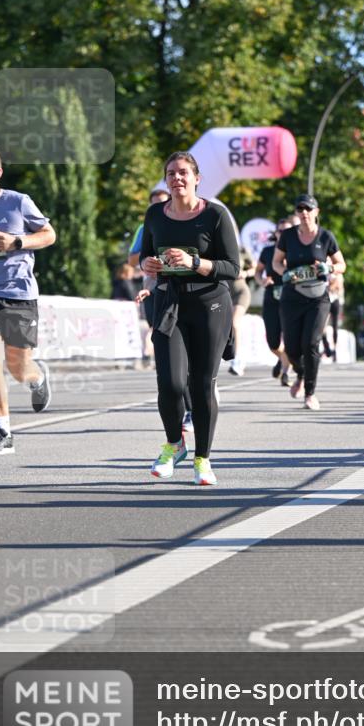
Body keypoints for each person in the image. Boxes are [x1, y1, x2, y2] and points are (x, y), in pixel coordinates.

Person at [140, 151, 239, 484]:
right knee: (170, 384)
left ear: (197, 178)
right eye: (171, 173)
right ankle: (174, 443)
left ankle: (203, 459)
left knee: (201, 384)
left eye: (183, 172)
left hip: (210, 305)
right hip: (170, 303)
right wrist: (147, 264)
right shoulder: (155, 214)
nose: (177, 178)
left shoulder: (215, 215)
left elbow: (233, 268)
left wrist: (194, 262)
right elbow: (145, 254)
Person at [0, 146, 56, 454]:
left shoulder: (18, 202)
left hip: (19, 294)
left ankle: (36, 377)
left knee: (17, 367)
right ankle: (3, 431)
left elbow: (49, 235)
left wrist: (17, 241)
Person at [272, 193, 346, 410]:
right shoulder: (288, 236)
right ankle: (301, 374)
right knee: (292, 348)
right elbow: (276, 262)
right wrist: (284, 273)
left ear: (316, 212)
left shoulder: (326, 237)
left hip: (317, 298)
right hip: (292, 297)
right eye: (300, 209)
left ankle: (310, 393)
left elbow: (342, 265)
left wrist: (328, 268)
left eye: (308, 209)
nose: (304, 213)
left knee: (311, 343)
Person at [130, 186, 193, 433]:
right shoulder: (147, 227)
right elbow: (134, 260)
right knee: (172, 360)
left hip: (192, 296)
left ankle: (199, 397)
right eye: (154, 203)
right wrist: (148, 270)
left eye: (163, 202)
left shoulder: (191, 220)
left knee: (191, 358)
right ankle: (186, 409)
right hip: (159, 292)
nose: (159, 207)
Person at [255, 217, 294, 386]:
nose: (283, 234)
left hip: (292, 299)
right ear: (276, 233)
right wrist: (262, 281)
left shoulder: (296, 249)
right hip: (272, 297)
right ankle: (284, 359)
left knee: (291, 338)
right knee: (273, 342)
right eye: (280, 231)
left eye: (287, 231)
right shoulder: (267, 251)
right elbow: (258, 272)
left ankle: (286, 372)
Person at [228, 247, 255, 376]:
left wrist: (246, 273)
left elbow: (255, 268)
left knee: (235, 322)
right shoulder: (216, 248)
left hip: (240, 292)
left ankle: (237, 359)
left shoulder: (242, 250)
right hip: (224, 294)